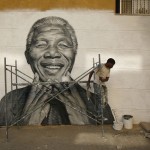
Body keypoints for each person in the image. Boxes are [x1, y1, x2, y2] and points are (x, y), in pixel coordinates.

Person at [0, 16, 114, 126]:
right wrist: (24, 128)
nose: (52, 53)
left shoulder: (98, 104)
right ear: (27, 56)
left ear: (74, 56)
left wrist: (87, 126)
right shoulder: (9, 102)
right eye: (41, 44)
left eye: (63, 45)